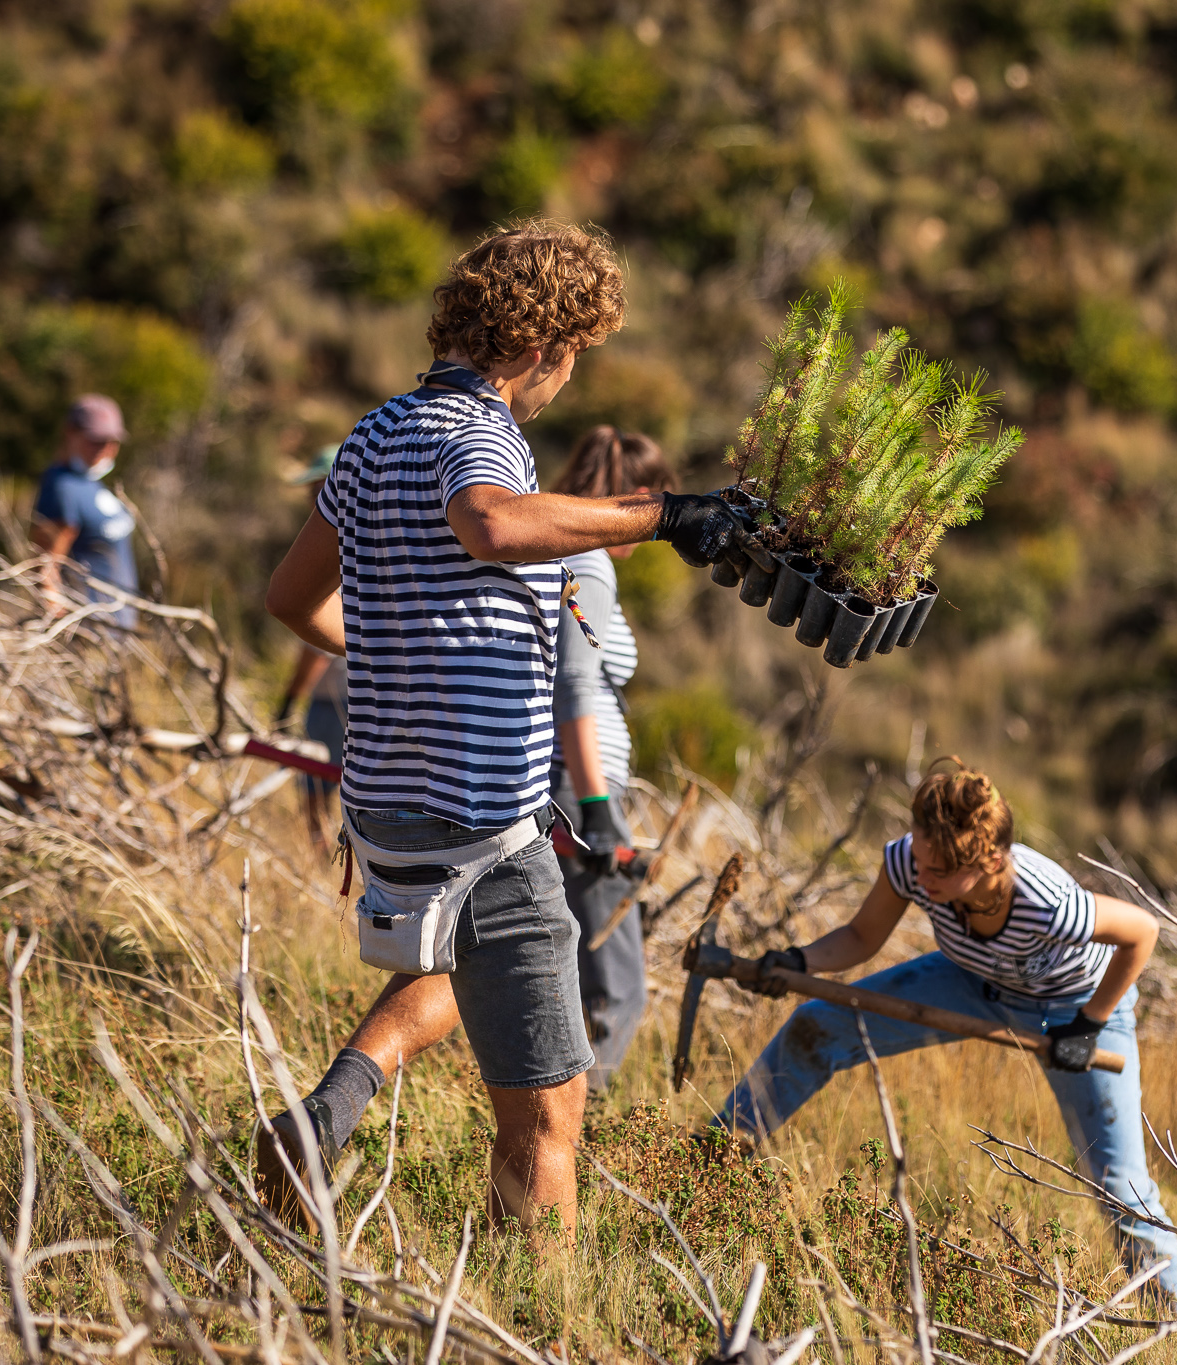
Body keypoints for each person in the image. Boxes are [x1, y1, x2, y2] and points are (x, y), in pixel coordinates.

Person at [260, 218, 744, 1245]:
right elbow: (492, 523)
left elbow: (292, 596)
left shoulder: (377, 433)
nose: (568, 381)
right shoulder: (483, 437)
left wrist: (393, 647)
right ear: (545, 348)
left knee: (457, 989)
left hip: (386, 808)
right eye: (576, 360)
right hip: (483, 826)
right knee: (548, 1115)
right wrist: (659, 516)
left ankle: (324, 1120)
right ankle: (539, 1321)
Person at [719, 761, 1177, 1316]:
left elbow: (1142, 933)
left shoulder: (1048, 903)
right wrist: (799, 961)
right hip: (973, 980)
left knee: (1119, 1182)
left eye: (940, 872)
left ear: (991, 860)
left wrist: (1089, 1025)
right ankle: (708, 1165)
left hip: (1075, 1007)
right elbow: (860, 935)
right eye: (920, 860)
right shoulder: (911, 860)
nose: (922, 880)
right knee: (816, 1024)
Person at [547, 426, 676, 1090]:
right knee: (615, 986)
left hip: (567, 782)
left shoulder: (556, 548)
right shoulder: (588, 563)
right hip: (577, 788)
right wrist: (597, 809)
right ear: (638, 496)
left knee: (571, 966)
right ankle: (585, 1131)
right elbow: (574, 684)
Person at [272, 446, 346, 853]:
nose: (310, 499)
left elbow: (315, 648)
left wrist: (288, 701)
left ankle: (323, 863)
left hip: (334, 698)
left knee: (316, 796)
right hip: (361, 693)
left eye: (318, 488)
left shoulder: (333, 548)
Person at [30, 393, 139, 626]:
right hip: (92, 631)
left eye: (112, 441)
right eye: (96, 440)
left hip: (119, 627)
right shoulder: (62, 488)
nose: (106, 449)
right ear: (70, 432)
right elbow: (45, 567)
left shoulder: (88, 479)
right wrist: (61, 627)